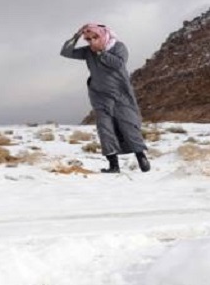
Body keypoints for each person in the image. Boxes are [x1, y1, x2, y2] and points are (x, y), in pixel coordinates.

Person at [60, 23, 151, 173]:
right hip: (99, 96)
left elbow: (119, 64)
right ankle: (113, 165)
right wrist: (76, 35)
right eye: (88, 39)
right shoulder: (88, 51)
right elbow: (66, 52)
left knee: (129, 126)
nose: (92, 41)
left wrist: (101, 53)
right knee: (105, 130)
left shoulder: (118, 46)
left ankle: (141, 157)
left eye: (95, 37)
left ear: (103, 34)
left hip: (120, 95)